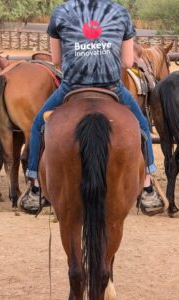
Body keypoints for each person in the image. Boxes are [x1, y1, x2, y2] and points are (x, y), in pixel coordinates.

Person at [19, 0, 164, 215]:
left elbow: (57, 60)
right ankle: (147, 186)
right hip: (112, 86)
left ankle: (35, 186)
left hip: (72, 86)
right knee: (142, 125)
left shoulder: (60, 12)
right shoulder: (120, 12)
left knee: (38, 124)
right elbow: (126, 62)